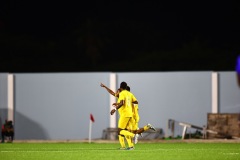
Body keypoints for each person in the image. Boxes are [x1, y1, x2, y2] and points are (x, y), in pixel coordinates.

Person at [110, 81, 156, 150]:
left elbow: (122, 102)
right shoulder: (130, 94)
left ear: (120, 87)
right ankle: (130, 146)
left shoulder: (122, 93)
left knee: (121, 131)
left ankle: (133, 136)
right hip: (131, 115)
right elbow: (136, 102)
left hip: (126, 115)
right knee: (125, 131)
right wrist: (127, 103)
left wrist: (114, 109)